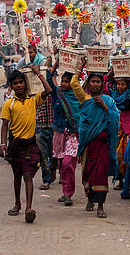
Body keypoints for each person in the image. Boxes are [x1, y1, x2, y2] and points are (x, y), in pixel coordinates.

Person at [0, 66, 52, 223]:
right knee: (17, 176)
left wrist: (38, 74)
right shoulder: (9, 104)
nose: (19, 85)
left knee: (28, 175)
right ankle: (17, 204)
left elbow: (48, 91)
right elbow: (4, 125)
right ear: (12, 86)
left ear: (26, 83)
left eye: (21, 82)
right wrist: (3, 144)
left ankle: (29, 208)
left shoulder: (33, 99)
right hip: (15, 145)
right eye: (15, 83)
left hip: (31, 146)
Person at [71, 58, 120, 218]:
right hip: (88, 145)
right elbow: (73, 83)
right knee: (88, 173)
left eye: (98, 82)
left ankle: (100, 206)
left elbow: (115, 119)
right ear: (88, 83)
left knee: (100, 174)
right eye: (92, 82)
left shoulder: (109, 101)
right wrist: (81, 64)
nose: (95, 84)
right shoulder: (84, 99)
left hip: (104, 146)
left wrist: (105, 108)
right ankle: (90, 199)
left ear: (102, 84)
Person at [46, 60, 81, 206]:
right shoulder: (57, 94)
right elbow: (48, 79)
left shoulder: (77, 95)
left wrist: (81, 65)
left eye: (67, 81)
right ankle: (66, 192)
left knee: (68, 163)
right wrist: (56, 63)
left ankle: (68, 192)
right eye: (63, 81)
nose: (64, 84)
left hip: (73, 133)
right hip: (60, 133)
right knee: (62, 164)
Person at [105, 66, 130, 191]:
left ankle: (129, 179)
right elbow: (104, 85)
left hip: (129, 128)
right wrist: (110, 73)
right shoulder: (111, 95)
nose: (120, 87)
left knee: (126, 155)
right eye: (119, 84)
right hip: (116, 127)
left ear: (127, 85)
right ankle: (120, 181)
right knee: (116, 155)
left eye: (123, 84)